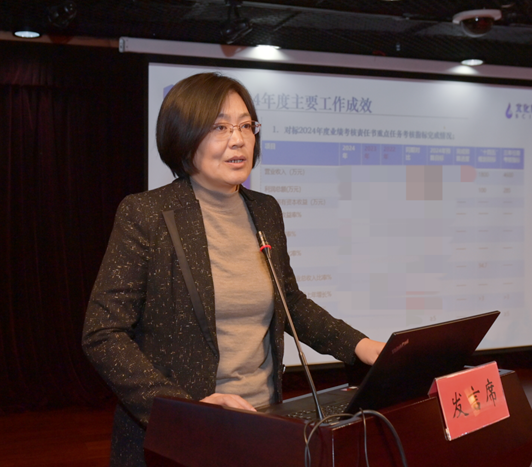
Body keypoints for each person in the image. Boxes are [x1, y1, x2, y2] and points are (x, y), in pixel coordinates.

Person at [82, 72, 385, 467]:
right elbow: (103, 334)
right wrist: (184, 409)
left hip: (263, 424)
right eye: (220, 127)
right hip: (181, 437)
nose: (238, 139)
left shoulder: (265, 210)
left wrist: (362, 346)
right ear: (184, 137)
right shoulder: (147, 214)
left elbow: (289, 302)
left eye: (245, 126)